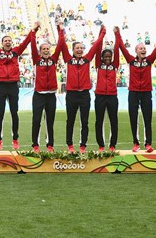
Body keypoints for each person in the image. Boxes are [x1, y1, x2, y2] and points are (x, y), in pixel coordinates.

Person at [0, 22, 39, 150]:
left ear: (11, 43)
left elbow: (26, 42)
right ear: (2, 43)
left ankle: (15, 138)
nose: (8, 42)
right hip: (0, 86)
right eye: (5, 40)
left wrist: (34, 30)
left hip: (13, 86)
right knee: (0, 113)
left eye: (9, 40)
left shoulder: (16, 52)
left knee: (14, 113)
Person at [60, 24, 106, 153]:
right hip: (71, 95)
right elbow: (62, 45)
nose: (79, 50)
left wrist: (102, 33)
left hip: (85, 95)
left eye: (81, 48)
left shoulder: (87, 59)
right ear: (73, 50)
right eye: (77, 48)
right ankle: (70, 145)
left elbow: (96, 45)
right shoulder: (68, 59)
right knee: (70, 120)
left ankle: (82, 145)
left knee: (84, 121)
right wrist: (60, 31)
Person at [117, 27, 156, 153]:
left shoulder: (149, 61)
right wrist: (117, 33)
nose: (143, 50)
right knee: (133, 118)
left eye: (144, 48)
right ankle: (136, 143)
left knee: (147, 118)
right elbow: (121, 47)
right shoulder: (131, 60)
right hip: (133, 93)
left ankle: (148, 144)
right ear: (136, 51)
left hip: (147, 92)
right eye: (140, 48)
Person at [30, 23, 64, 153]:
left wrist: (60, 30)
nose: (45, 51)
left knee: (50, 121)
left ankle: (50, 145)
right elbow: (32, 45)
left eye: (47, 49)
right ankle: (35, 145)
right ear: (40, 51)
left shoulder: (53, 60)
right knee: (36, 120)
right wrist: (35, 30)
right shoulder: (36, 60)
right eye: (43, 49)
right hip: (39, 95)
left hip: (51, 95)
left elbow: (60, 45)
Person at [93, 27, 121, 152]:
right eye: (106, 56)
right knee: (99, 121)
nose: (108, 58)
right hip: (99, 96)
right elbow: (98, 48)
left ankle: (112, 145)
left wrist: (116, 34)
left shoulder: (115, 65)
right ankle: (101, 145)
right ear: (102, 57)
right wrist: (102, 33)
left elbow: (117, 49)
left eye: (110, 56)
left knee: (113, 121)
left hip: (112, 96)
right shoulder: (98, 64)